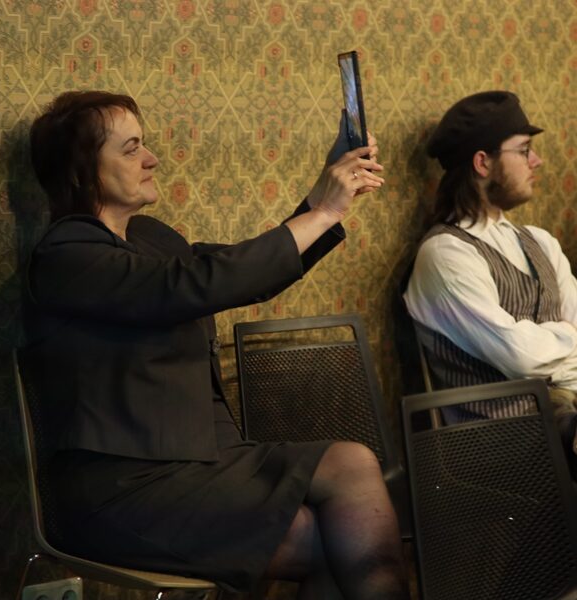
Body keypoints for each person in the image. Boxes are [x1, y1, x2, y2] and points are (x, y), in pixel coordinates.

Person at [22, 90, 409, 600]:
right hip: (122, 488)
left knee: (352, 462)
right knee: (331, 540)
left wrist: (325, 197)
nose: (152, 158)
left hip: (210, 461)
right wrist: (322, 211)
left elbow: (243, 273)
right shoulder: (66, 254)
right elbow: (196, 284)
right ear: (80, 172)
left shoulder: (153, 238)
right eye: (131, 148)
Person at [404, 90, 577, 476]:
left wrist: (551, 347)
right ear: (483, 162)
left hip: (562, 430)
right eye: (524, 150)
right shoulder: (446, 255)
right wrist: (568, 333)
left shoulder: (541, 242)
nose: (537, 161)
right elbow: (520, 357)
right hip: (498, 447)